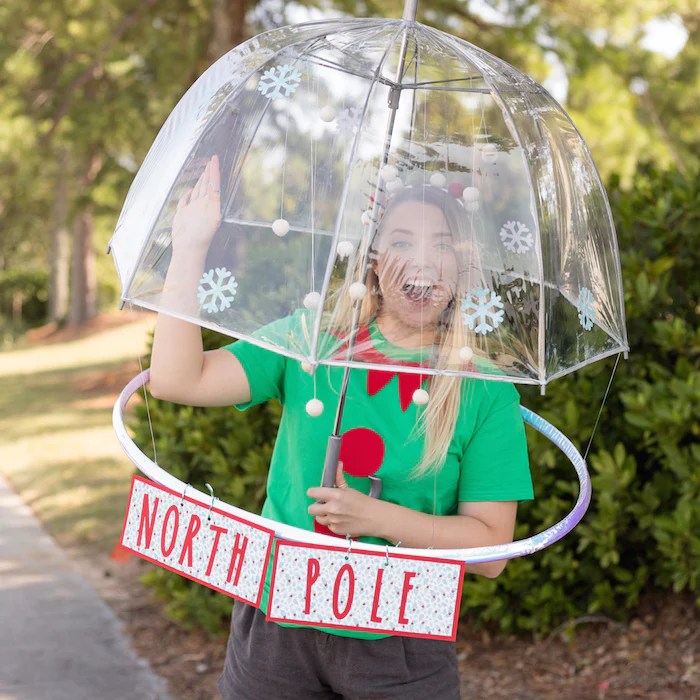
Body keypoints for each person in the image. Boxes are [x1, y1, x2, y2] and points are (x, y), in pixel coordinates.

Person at [149, 155, 534, 700]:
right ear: (374, 259)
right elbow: (175, 379)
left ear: (462, 267)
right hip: (279, 620)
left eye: (442, 245)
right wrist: (189, 246)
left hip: (403, 635)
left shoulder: (484, 390)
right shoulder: (311, 341)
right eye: (401, 242)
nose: (420, 262)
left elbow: (491, 552)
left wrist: (375, 517)